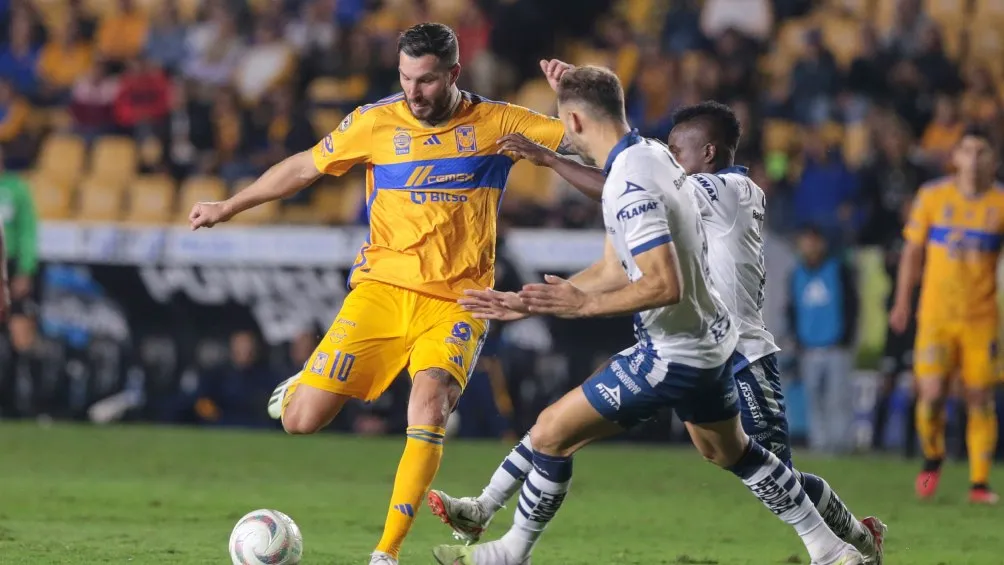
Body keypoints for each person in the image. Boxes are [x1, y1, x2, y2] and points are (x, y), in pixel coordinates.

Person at [431, 66, 863, 565]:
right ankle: (831, 549)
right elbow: (615, 265)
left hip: (676, 351)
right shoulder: (653, 157)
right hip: (712, 344)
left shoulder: (655, 183)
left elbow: (663, 284)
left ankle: (509, 551)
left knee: (551, 431)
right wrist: (532, 300)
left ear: (573, 120)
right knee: (732, 453)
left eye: (565, 122)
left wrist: (584, 305)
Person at [188, 22, 573, 565]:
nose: (414, 93)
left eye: (428, 81)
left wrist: (580, 97)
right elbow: (303, 167)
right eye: (406, 78)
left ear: (454, 74)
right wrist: (229, 206)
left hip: (457, 302)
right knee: (301, 420)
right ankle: (306, 379)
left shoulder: (497, 122)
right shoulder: (374, 122)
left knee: (431, 400)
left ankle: (385, 555)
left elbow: (583, 137)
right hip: (381, 291)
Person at [889, 125, 1004, 504]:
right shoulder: (933, 196)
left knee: (979, 396)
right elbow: (912, 253)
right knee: (933, 394)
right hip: (936, 316)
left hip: (981, 318)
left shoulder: (1000, 203)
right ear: (955, 158)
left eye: (981, 151)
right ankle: (933, 456)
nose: (974, 158)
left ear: (993, 160)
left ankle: (979, 483)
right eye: (967, 151)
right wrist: (903, 301)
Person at [788, 225, 860, 455]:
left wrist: (846, 338)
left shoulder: (837, 269)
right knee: (813, 398)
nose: (808, 247)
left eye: (812, 241)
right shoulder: (796, 274)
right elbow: (792, 308)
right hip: (809, 347)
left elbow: (852, 305)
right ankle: (819, 444)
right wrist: (797, 339)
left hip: (835, 345)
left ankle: (840, 444)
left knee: (838, 398)